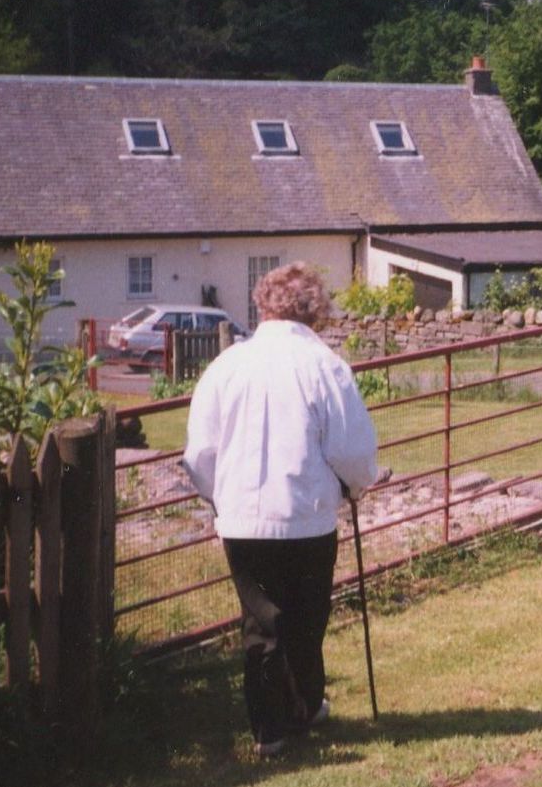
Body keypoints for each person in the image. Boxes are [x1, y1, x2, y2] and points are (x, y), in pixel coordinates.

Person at [183, 262, 381, 757]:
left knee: (262, 623)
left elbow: (200, 454)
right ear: (316, 310)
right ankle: (305, 707)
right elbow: (353, 450)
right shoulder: (325, 367)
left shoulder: (226, 366)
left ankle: (270, 730)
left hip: (245, 521)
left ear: (262, 304)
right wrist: (355, 487)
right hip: (308, 516)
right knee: (306, 620)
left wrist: (217, 497)